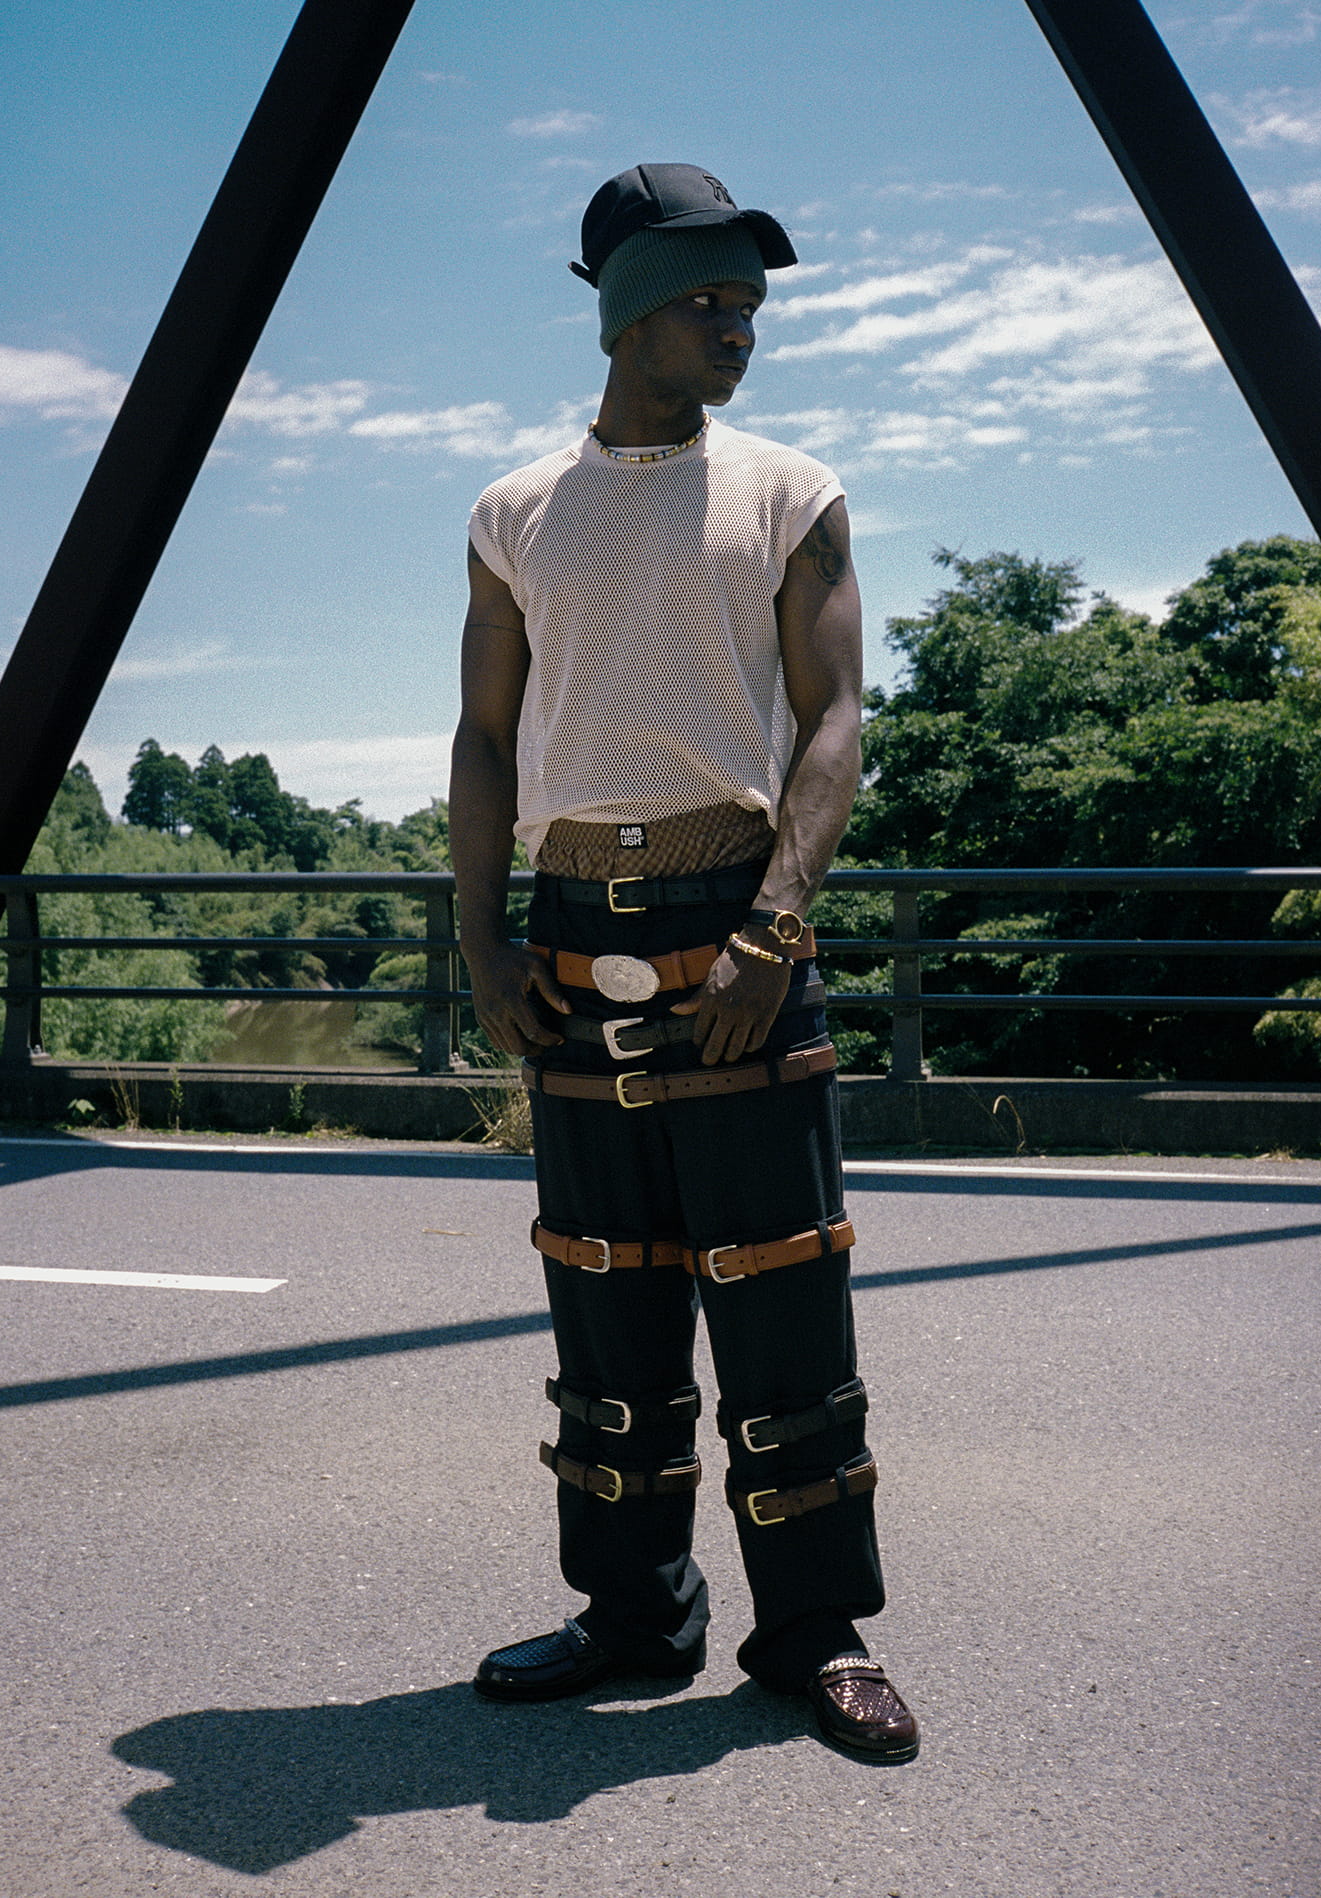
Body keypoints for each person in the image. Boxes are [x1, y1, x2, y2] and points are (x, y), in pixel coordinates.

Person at [448, 163, 918, 1761]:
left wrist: (779, 924)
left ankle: (815, 1629)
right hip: (573, 931)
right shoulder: (514, 511)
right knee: (608, 1293)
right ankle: (633, 1612)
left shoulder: (791, 489)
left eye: (749, 304)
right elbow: (484, 734)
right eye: (711, 299)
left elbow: (836, 718)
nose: (740, 328)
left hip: (740, 916)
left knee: (782, 1292)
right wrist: (481, 936)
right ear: (627, 305)